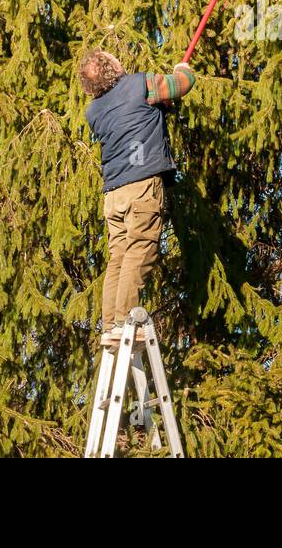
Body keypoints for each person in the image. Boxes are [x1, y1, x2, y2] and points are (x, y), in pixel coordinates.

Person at [78, 50, 195, 347]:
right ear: (113, 67)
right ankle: (123, 320)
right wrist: (184, 69)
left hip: (113, 193)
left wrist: (161, 106)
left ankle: (111, 325)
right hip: (140, 185)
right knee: (141, 249)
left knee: (119, 255)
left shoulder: (94, 112)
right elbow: (180, 85)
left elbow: (135, 113)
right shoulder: (140, 84)